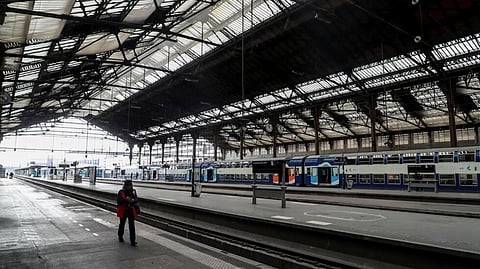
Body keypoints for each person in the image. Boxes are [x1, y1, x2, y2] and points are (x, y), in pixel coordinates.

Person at [117, 180, 140, 246]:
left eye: (130, 185)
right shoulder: (121, 192)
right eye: (128, 185)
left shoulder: (133, 191)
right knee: (122, 224)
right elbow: (118, 201)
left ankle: (133, 240)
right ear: (125, 186)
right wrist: (125, 199)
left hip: (131, 210)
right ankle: (120, 236)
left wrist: (133, 200)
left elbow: (136, 200)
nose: (129, 187)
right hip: (124, 210)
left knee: (132, 225)